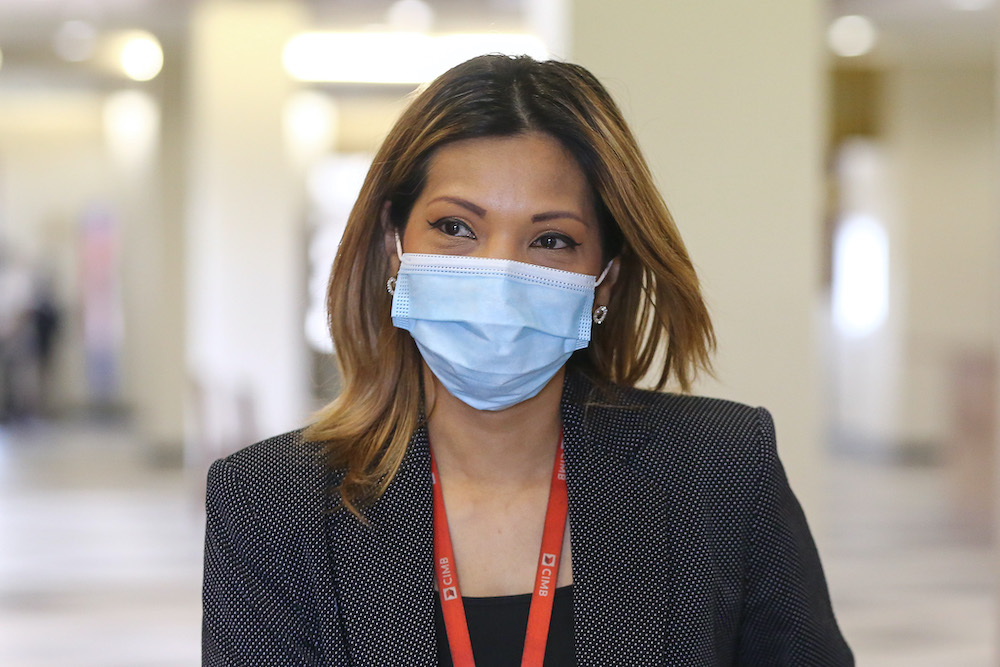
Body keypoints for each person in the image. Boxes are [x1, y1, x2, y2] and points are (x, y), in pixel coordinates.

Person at [202, 54, 853, 666]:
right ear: (394, 246)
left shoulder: (723, 470)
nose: (501, 275)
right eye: (456, 227)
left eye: (551, 240)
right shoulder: (270, 502)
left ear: (604, 280)